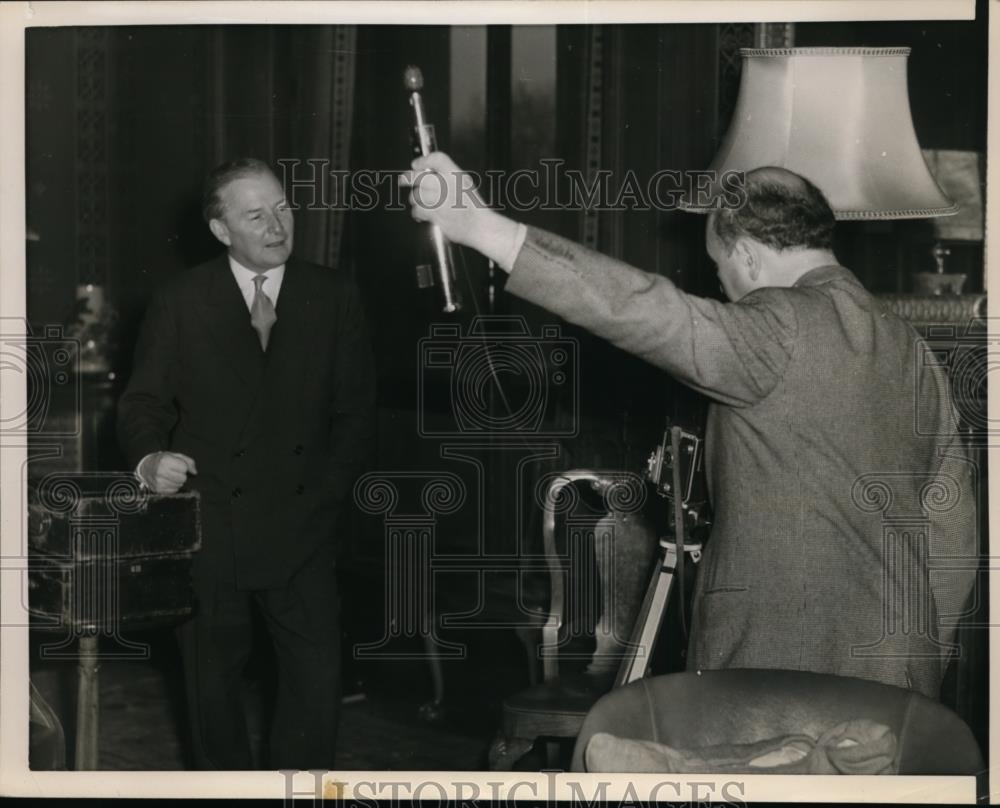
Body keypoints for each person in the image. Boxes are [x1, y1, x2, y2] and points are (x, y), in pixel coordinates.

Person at [404, 154, 977, 700]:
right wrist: (922, 657)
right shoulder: (912, 347)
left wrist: (483, 228)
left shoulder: (776, 325)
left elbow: (645, 310)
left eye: (720, 268)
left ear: (748, 257)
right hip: (901, 668)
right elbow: (954, 528)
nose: (723, 288)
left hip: (779, 672)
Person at [118, 158, 375, 769]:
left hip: (303, 530)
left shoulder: (334, 296)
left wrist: (323, 501)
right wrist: (150, 458)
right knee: (212, 700)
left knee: (314, 693)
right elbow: (142, 403)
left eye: (283, 208)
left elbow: (356, 419)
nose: (276, 224)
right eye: (255, 214)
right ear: (220, 229)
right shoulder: (181, 301)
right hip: (212, 531)